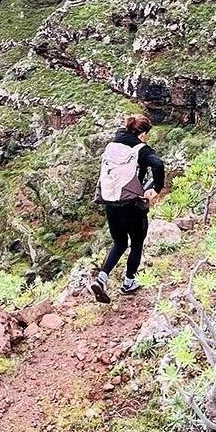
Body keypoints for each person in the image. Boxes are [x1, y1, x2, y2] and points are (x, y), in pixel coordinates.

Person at [89, 113, 165, 303]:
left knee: (120, 243)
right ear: (142, 134)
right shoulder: (141, 149)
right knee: (136, 243)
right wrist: (156, 188)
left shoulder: (114, 143)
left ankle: (102, 278)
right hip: (132, 204)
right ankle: (129, 281)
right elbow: (158, 164)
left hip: (111, 202)